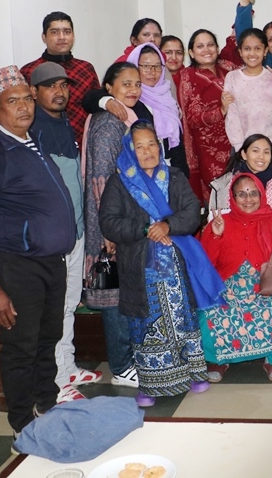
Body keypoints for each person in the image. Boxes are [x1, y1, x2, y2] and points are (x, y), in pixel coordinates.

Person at [0, 66, 77, 435]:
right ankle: (23, 427)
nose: (24, 107)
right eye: (13, 101)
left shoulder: (32, 140)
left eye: (27, 99)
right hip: (16, 265)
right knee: (21, 348)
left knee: (47, 340)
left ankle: (48, 407)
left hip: (51, 262)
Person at [98, 122, 225, 407]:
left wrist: (167, 225)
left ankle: (193, 375)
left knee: (183, 321)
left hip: (178, 267)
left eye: (152, 144)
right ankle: (150, 386)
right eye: (139, 147)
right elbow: (109, 222)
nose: (148, 152)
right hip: (141, 268)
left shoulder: (174, 176)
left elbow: (192, 211)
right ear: (130, 151)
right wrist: (146, 229)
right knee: (147, 326)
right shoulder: (119, 183)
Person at [28, 62, 102, 403]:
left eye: (63, 85)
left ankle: (68, 367)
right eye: (50, 86)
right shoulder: (33, 128)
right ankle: (57, 381)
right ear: (34, 92)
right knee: (56, 307)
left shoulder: (65, 122)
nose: (59, 92)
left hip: (75, 230)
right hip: (53, 236)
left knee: (70, 303)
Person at [199, 174, 272, 382]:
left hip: (265, 282)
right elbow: (206, 263)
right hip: (228, 283)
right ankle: (219, 359)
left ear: (261, 195)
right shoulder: (221, 221)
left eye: (253, 193)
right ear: (232, 197)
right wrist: (216, 235)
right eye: (241, 194)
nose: (248, 199)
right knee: (213, 309)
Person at [83, 61, 143, 390]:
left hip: (116, 222)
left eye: (137, 83)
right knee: (112, 295)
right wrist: (110, 229)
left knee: (121, 292)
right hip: (108, 228)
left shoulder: (122, 120)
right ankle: (121, 366)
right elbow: (102, 181)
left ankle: (128, 360)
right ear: (109, 89)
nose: (133, 89)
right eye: (126, 84)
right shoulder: (109, 124)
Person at [224, 28, 272, 170]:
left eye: (257, 48)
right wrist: (241, 149)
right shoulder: (232, 77)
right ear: (240, 52)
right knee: (244, 184)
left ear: (265, 51)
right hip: (243, 147)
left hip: (271, 146)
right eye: (247, 49)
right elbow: (232, 116)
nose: (252, 53)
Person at [177, 28, 239, 202]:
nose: (206, 50)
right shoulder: (188, 76)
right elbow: (191, 118)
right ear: (191, 53)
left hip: (237, 141)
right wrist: (220, 111)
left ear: (217, 49)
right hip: (209, 149)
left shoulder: (229, 68)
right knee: (220, 198)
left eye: (210, 45)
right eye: (200, 46)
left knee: (241, 192)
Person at [20, 11, 99, 143]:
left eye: (67, 32)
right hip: (44, 143)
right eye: (55, 32)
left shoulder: (86, 69)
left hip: (82, 143)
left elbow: (96, 106)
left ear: (73, 36)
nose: (62, 37)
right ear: (44, 37)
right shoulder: (29, 71)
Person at [208, 134, 272, 223]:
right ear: (244, 154)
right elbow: (214, 222)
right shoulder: (223, 185)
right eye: (255, 151)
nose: (261, 156)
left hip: (270, 234)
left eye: (266, 152)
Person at [129, 43, 188, 176]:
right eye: (146, 66)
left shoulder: (167, 98)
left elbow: (178, 145)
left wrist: (182, 178)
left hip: (172, 172)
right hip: (141, 174)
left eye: (157, 66)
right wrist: (105, 101)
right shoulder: (130, 98)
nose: (152, 71)